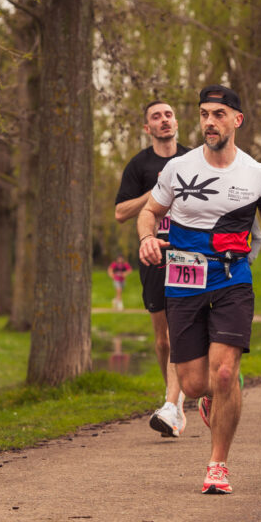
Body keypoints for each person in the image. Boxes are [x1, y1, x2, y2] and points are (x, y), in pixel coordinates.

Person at [137, 85, 261, 494]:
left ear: (237, 120)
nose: (209, 122)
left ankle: (217, 465)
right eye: (205, 114)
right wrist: (146, 238)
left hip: (232, 279)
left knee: (225, 372)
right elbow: (149, 211)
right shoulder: (179, 167)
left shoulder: (256, 173)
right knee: (194, 385)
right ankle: (212, 399)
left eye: (219, 114)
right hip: (184, 281)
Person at [114, 100, 191, 438]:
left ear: (176, 121)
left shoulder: (194, 159)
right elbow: (120, 212)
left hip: (189, 254)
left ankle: (174, 405)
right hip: (154, 255)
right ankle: (170, 397)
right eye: (156, 117)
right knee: (162, 339)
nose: (164, 120)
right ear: (148, 128)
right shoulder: (139, 165)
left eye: (169, 115)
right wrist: (156, 192)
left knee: (179, 333)